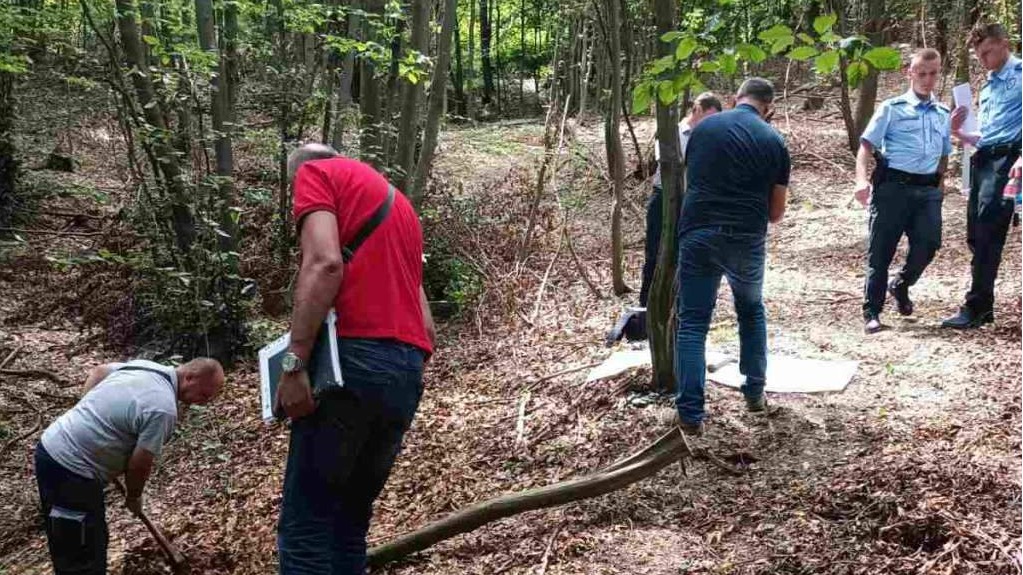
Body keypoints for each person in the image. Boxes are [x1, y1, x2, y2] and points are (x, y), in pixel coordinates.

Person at [276, 143, 436, 574]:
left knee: (307, 528)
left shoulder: (317, 175)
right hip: (405, 373)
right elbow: (427, 324)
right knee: (349, 525)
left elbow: (325, 263)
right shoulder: (399, 205)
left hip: (352, 366)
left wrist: (293, 364)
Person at [672, 78, 789, 435]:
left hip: (698, 233)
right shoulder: (774, 141)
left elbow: (692, 181)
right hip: (745, 238)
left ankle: (690, 415)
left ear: (737, 98)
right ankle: (754, 392)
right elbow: (775, 213)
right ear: (767, 106)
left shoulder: (704, 129)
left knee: (692, 324)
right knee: (750, 312)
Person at [35, 358, 224, 575]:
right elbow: (140, 462)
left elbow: (98, 372)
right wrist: (134, 496)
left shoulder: (147, 366)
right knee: (81, 551)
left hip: (53, 450)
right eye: (203, 395)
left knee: (86, 538)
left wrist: (88, 414)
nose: (203, 402)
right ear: (190, 378)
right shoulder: (163, 409)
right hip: (70, 469)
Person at [854, 48, 951, 334]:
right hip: (893, 189)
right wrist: (861, 180)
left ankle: (902, 284)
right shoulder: (892, 108)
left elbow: (944, 153)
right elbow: (866, 147)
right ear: (909, 73)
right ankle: (872, 311)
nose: (927, 79)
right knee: (881, 252)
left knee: (929, 244)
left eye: (933, 73)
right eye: (921, 73)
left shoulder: (943, 113)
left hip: (928, 191)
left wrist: (941, 184)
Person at [942, 22, 1022, 329]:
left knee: (989, 231)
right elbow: (986, 135)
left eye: (987, 52)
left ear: (1004, 42)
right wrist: (959, 131)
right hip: (984, 159)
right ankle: (982, 302)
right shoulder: (988, 84)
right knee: (975, 233)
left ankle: (977, 306)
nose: (984, 60)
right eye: (979, 56)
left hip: (1008, 159)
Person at [639, 92, 723, 307]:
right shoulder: (672, 132)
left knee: (687, 253)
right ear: (696, 110)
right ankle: (647, 306)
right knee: (655, 252)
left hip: (694, 199)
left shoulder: (711, 135)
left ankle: (678, 304)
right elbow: (668, 164)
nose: (711, 123)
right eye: (708, 117)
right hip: (664, 198)